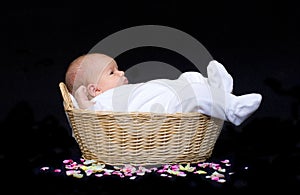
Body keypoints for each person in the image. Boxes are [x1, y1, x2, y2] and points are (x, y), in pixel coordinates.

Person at [65, 53, 262, 126]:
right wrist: (81, 97)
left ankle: (219, 91)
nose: (121, 72)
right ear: (95, 89)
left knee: (188, 78)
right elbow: (88, 116)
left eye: (117, 68)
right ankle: (232, 108)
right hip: (168, 106)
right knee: (192, 94)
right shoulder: (102, 103)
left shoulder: (119, 94)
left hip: (168, 90)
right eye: (112, 72)